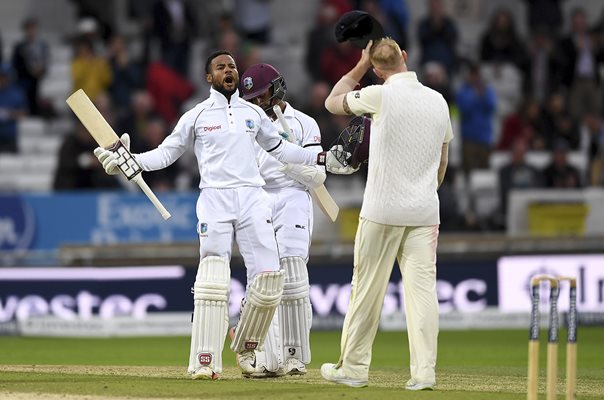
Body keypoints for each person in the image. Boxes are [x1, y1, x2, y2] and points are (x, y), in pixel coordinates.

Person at [93, 50, 326, 380]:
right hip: (215, 198)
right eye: (221, 67)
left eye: (232, 65)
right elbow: (166, 153)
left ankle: (247, 345)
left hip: (252, 197)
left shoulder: (253, 113)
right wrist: (132, 161)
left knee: (271, 279)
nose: (228, 70)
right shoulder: (196, 115)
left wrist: (323, 159)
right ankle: (204, 362)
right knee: (214, 278)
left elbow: (283, 150)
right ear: (209, 77)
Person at [321, 38, 453, 390]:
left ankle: (353, 369)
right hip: (425, 212)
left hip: (382, 210)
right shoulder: (438, 101)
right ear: (405, 58)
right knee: (422, 293)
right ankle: (424, 374)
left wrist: (360, 65)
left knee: (366, 290)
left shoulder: (379, 95)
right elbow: (442, 161)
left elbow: (332, 101)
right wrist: (425, 191)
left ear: (378, 70)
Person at [236, 63, 326, 377]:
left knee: (293, 276)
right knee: (261, 278)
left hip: (293, 195)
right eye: (252, 99)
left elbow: (318, 174)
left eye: (262, 96)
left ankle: (294, 357)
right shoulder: (245, 126)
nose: (258, 103)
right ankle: (260, 355)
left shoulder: (304, 123)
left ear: (277, 89)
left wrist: (287, 161)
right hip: (258, 196)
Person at [11, 17, 49, 116]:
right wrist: (30, 70)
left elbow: (45, 60)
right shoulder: (20, 46)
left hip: (37, 78)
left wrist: (40, 70)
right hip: (24, 78)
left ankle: (35, 111)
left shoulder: (42, 46)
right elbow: (15, 63)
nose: (31, 31)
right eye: (29, 28)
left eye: (33, 28)